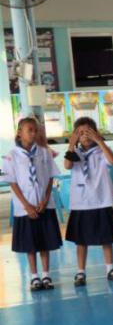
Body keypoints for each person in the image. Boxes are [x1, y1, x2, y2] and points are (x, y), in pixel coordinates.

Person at [63, 117, 113, 286]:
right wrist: (71, 144)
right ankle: (80, 272)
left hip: (101, 200)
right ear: (76, 135)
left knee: (106, 237)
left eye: (89, 132)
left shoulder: (101, 151)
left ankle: (110, 268)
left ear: (96, 133)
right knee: (81, 240)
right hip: (81, 202)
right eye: (81, 133)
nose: (86, 136)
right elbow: (67, 165)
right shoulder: (75, 153)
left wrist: (100, 141)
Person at [3, 117, 62, 291]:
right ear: (19, 132)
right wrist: (26, 205)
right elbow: (12, 182)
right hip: (25, 208)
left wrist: (45, 199)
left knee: (45, 242)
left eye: (36, 130)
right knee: (30, 244)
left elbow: (50, 177)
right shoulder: (11, 156)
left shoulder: (44, 152)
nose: (33, 133)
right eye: (30, 130)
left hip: (44, 205)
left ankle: (46, 275)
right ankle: (34, 276)